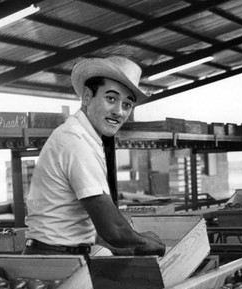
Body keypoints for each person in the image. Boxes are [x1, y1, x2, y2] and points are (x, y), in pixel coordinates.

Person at [23, 55, 166, 259]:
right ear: (87, 96)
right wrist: (148, 243)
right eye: (111, 98)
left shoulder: (85, 137)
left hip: (62, 254)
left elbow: (86, 224)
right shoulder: (76, 142)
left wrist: (130, 243)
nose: (118, 111)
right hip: (52, 260)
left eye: (127, 105)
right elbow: (113, 230)